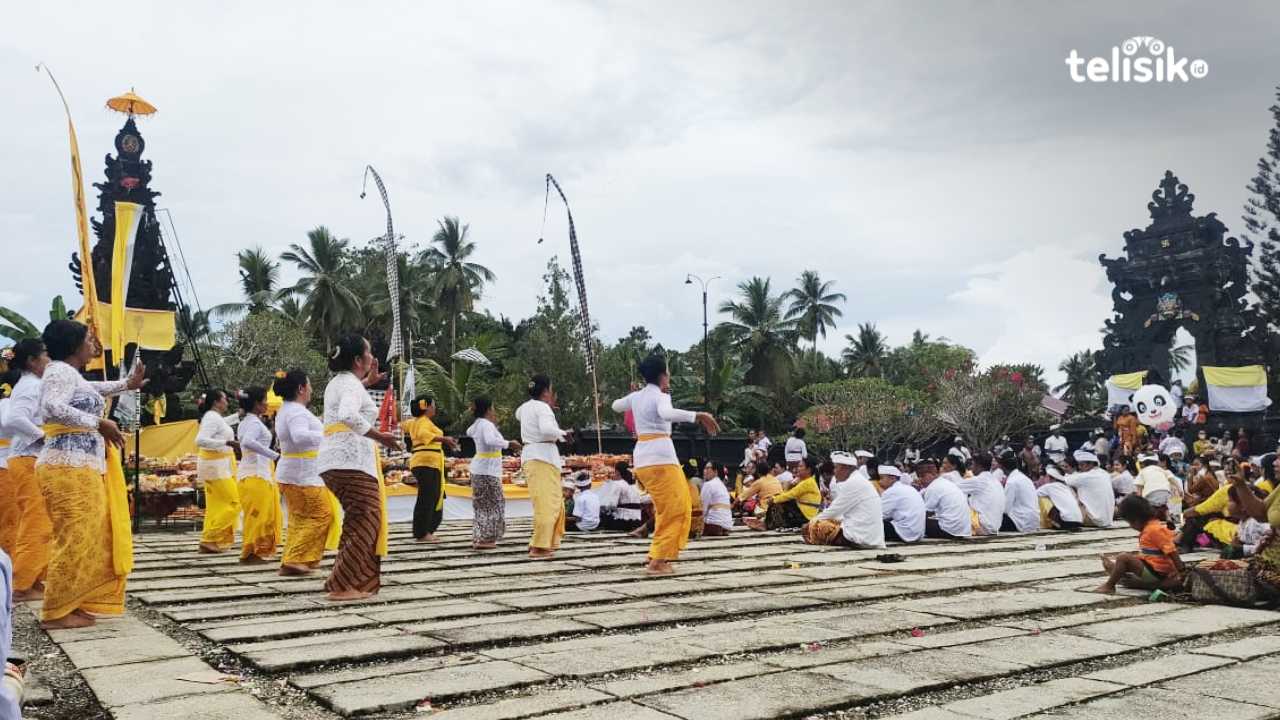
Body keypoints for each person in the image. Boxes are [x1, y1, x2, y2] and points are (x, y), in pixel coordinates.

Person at [36, 319, 145, 628]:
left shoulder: (70, 374)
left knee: (88, 536)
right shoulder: (58, 371)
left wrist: (127, 385)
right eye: (87, 339)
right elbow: (52, 407)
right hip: (65, 466)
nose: (92, 345)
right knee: (73, 536)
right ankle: (55, 610)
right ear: (73, 345)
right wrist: (100, 423)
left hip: (80, 467)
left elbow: (93, 389)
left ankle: (73, 599)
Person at [610, 355, 719, 574]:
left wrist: (634, 394)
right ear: (663, 375)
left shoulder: (636, 397)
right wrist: (698, 415)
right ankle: (659, 560)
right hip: (661, 458)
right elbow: (666, 414)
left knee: (665, 508)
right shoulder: (660, 397)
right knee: (678, 508)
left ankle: (657, 554)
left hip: (642, 459)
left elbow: (615, 406)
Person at [317, 334, 400, 601]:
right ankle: (344, 585)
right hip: (348, 460)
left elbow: (348, 400)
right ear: (357, 359)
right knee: (366, 517)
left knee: (361, 518)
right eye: (369, 352)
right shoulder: (350, 385)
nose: (372, 357)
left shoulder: (340, 383)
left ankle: (347, 581)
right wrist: (381, 437)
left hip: (338, 460)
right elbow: (347, 415)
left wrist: (368, 382)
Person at [1, 339, 51, 601]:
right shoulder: (30, 385)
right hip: (25, 458)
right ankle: (21, 582)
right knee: (34, 522)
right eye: (45, 355)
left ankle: (33, 577)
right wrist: (42, 436)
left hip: (29, 459)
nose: (49, 360)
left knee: (39, 521)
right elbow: (14, 419)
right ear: (32, 360)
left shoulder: (34, 384)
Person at [273, 369, 337, 577]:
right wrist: (327, 435)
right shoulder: (296, 412)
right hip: (302, 474)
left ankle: (301, 558)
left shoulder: (288, 409)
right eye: (308, 385)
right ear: (301, 388)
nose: (311, 389)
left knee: (300, 518)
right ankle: (295, 558)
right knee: (322, 513)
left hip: (295, 472)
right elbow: (300, 437)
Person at [518, 374, 572, 559]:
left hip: (536, 455)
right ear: (547, 391)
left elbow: (519, 414)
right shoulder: (542, 408)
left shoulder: (525, 407)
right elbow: (547, 430)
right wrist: (564, 433)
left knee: (550, 502)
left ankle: (544, 541)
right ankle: (539, 546)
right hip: (542, 457)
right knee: (548, 503)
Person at [1094, 494, 1184, 594]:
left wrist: (1181, 571)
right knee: (1119, 562)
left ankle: (1109, 586)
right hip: (1152, 568)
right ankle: (1119, 573)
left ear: (1136, 520)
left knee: (1123, 558)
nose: (1131, 526)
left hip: (1158, 572)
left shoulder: (1154, 530)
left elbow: (1172, 551)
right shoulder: (1150, 528)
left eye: (1130, 523)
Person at [401, 395, 458, 543]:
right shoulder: (422, 422)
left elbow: (403, 424)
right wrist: (444, 439)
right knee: (427, 497)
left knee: (432, 496)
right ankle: (422, 532)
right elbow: (422, 434)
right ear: (426, 407)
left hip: (430, 463)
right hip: (426, 463)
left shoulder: (416, 422)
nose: (435, 407)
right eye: (433, 405)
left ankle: (425, 530)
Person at [466, 396, 520, 549]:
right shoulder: (486, 425)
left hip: (480, 468)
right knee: (494, 503)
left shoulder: (478, 424)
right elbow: (489, 440)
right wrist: (509, 443)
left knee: (482, 504)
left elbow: (469, 431)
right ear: (489, 409)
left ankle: (480, 536)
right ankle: (487, 538)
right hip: (487, 471)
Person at [236, 386, 281, 564]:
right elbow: (248, 442)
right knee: (257, 515)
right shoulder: (253, 423)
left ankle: (255, 550)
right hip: (255, 475)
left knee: (259, 514)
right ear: (256, 404)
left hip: (253, 473)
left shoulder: (247, 421)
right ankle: (249, 553)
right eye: (264, 400)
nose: (267, 404)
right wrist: (274, 455)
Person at [195, 389, 241, 554]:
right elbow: (200, 440)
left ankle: (212, 541)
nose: (227, 402)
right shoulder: (211, 417)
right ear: (216, 402)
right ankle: (210, 537)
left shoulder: (213, 417)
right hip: (215, 466)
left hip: (215, 465)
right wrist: (227, 442)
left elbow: (221, 425)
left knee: (216, 505)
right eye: (225, 399)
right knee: (234, 502)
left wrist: (237, 415)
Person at [803, 457, 885, 549]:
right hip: (871, 536)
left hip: (861, 537)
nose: (834, 472)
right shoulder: (858, 479)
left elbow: (834, 511)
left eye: (836, 468)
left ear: (845, 468)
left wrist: (812, 522)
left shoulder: (854, 482)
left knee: (812, 528)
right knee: (828, 521)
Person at [751, 455, 821, 530]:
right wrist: (789, 486)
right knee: (779, 499)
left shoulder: (808, 482)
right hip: (805, 513)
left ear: (808, 470)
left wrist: (773, 499)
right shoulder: (806, 481)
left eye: (801, 466)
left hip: (806, 515)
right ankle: (768, 523)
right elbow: (787, 494)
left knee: (779, 501)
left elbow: (789, 495)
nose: (798, 469)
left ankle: (766, 524)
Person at [918, 460, 972, 539]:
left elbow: (925, 513)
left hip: (949, 530)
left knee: (915, 519)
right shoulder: (944, 483)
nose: (920, 480)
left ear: (930, 474)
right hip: (962, 530)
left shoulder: (933, 487)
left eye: (921, 476)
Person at [956, 452, 1005, 536]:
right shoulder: (995, 481)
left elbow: (951, 489)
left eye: (973, 464)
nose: (971, 468)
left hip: (982, 526)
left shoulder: (979, 480)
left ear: (979, 466)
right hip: (994, 527)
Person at [1065, 450, 1114, 528]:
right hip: (1106, 520)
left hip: (1094, 520)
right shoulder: (1105, 473)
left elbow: (1063, 480)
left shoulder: (1085, 476)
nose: (1080, 468)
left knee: (1063, 487)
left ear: (1090, 464)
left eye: (1082, 465)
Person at [877, 465, 924, 542]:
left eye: (882, 478)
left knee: (870, 523)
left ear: (892, 478)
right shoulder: (908, 488)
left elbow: (879, 515)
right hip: (916, 532)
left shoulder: (892, 491)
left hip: (903, 531)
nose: (879, 481)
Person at [598, 461, 646, 532]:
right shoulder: (635, 485)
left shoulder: (617, 484)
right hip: (637, 521)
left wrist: (603, 508)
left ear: (617, 471)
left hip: (622, 521)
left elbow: (612, 505)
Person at [1000, 452, 1040, 533]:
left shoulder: (1011, 481)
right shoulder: (1024, 478)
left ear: (1003, 467)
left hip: (1020, 522)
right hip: (1033, 522)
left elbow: (1005, 509)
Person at [700, 462, 733, 537]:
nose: (704, 471)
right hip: (727, 525)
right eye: (704, 468)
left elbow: (703, 508)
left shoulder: (708, 484)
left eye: (708, 468)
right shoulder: (722, 485)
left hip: (713, 525)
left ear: (715, 472)